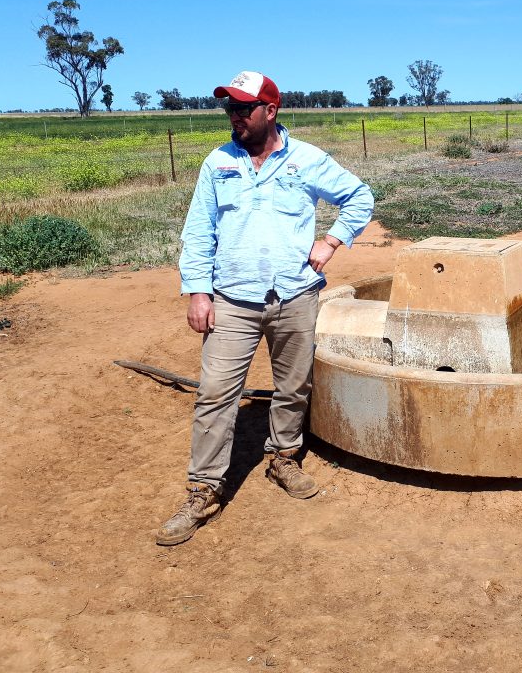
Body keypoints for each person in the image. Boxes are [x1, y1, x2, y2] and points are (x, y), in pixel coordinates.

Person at [157, 70, 373, 546]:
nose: (233, 116)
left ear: (269, 111)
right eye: (229, 107)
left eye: (242, 108)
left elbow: (359, 197)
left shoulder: (308, 160)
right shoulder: (218, 163)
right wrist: (197, 291)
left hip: (295, 294)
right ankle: (203, 489)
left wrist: (332, 241)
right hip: (232, 298)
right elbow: (199, 231)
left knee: (293, 386)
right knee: (214, 393)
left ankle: (283, 458)